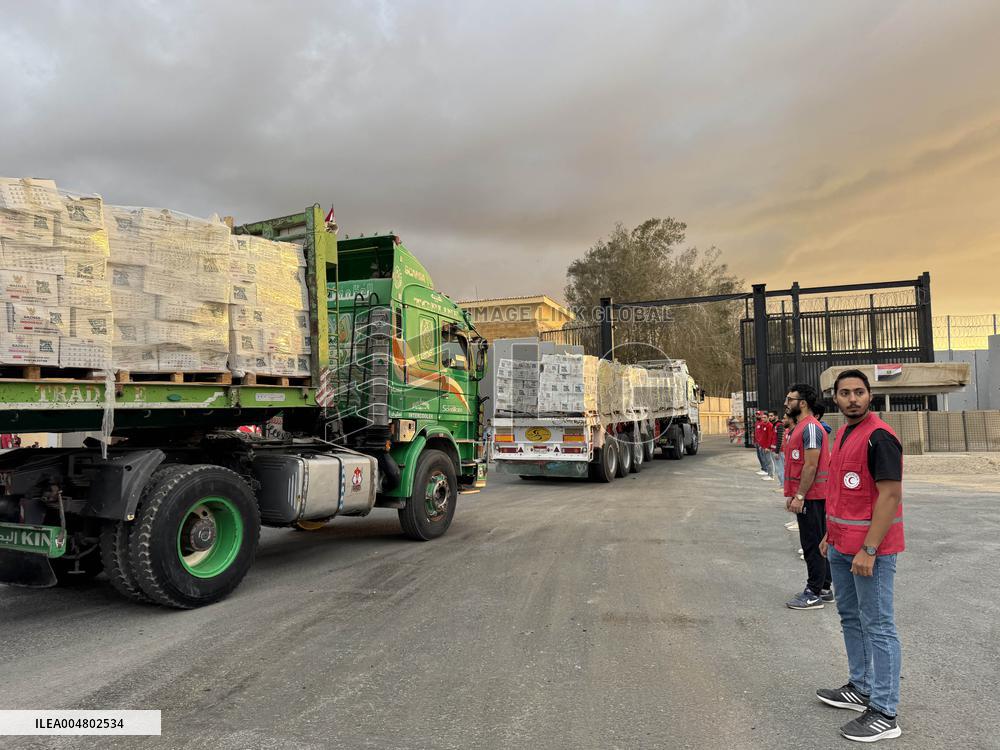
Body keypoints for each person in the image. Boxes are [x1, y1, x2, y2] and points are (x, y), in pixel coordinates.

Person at [815, 369, 904, 743]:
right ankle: (861, 687)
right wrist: (828, 535)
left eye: (859, 392)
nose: (852, 398)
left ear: (870, 396)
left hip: (870, 551)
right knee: (851, 617)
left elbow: (889, 496)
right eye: (845, 393)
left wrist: (870, 549)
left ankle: (885, 711)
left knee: (879, 626)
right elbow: (843, 493)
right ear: (835, 398)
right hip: (840, 546)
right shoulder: (845, 433)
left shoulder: (879, 437)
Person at [782, 383, 834, 609]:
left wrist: (800, 496)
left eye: (790, 399)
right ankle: (824, 587)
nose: (786, 403)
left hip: (813, 496)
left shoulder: (810, 428)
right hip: (809, 496)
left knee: (811, 543)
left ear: (802, 403)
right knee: (817, 541)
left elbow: (810, 466)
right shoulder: (801, 427)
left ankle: (813, 592)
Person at [759, 412, 776, 480]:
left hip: (767, 447)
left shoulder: (770, 425)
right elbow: (762, 436)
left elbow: (770, 437)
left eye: (765, 417)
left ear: (768, 418)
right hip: (763, 446)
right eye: (762, 417)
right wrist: (761, 445)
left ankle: (771, 475)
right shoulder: (763, 425)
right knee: (766, 460)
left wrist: (768, 447)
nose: (763, 419)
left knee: (769, 461)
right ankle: (769, 474)